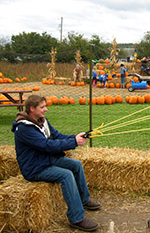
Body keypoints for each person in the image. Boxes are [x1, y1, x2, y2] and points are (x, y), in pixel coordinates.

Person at [11, 95, 100, 232]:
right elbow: (46, 145)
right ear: (32, 109)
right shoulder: (24, 128)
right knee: (66, 175)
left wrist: (76, 137)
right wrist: (73, 142)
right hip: (35, 167)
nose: (46, 109)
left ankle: (84, 200)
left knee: (76, 165)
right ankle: (76, 218)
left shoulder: (41, 120)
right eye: (42, 107)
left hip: (46, 159)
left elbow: (56, 136)